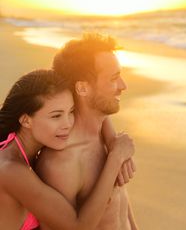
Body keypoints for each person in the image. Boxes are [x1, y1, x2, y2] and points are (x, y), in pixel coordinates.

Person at [0, 69, 135, 230]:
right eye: (56, 116)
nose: (67, 124)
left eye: (71, 112)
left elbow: (91, 111)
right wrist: (116, 157)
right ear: (26, 120)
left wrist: (111, 138)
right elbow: (78, 227)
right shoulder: (10, 170)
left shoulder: (17, 147)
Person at [36, 33, 139, 230]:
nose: (123, 86)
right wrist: (116, 156)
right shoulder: (61, 163)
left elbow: (121, 206)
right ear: (83, 88)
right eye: (113, 78)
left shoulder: (103, 133)